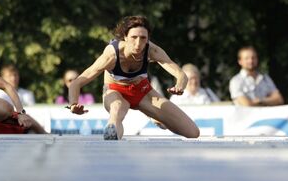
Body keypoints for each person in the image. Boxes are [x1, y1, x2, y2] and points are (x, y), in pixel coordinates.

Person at [67, 15, 200, 140]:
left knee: (193, 132)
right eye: (134, 37)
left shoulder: (152, 50)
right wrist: (73, 104)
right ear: (125, 37)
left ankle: (155, 115)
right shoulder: (111, 55)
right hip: (115, 91)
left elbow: (181, 75)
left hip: (142, 92)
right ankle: (112, 135)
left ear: (148, 38)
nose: (138, 44)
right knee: (117, 108)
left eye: (143, 38)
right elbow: (76, 83)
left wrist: (180, 87)